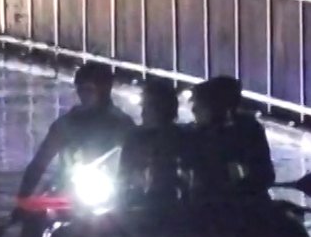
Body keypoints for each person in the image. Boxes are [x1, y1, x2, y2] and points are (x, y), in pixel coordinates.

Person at [15, 60, 137, 207]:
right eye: (81, 90)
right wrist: (23, 200)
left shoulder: (123, 124)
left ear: (107, 90)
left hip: (111, 193)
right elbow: (39, 163)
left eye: (89, 90)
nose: (84, 96)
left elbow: (137, 164)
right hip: (68, 191)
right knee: (37, 216)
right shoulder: (66, 124)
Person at [188, 76, 276, 199]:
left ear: (218, 109)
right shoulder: (193, 132)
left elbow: (264, 176)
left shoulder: (247, 132)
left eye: (200, 105)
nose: (193, 110)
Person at [118, 80, 188, 212]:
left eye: (148, 105)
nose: (143, 111)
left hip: (170, 205)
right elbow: (123, 173)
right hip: (137, 203)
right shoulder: (134, 137)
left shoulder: (181, 138)